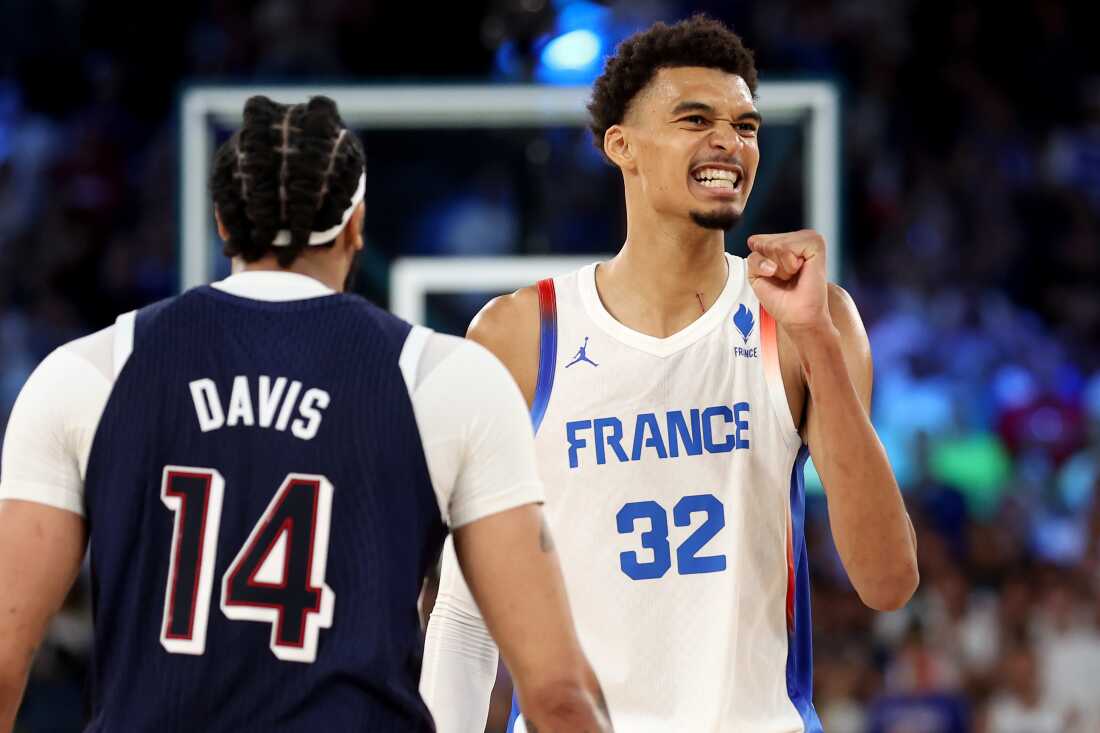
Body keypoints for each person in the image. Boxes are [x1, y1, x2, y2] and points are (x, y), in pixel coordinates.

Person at [0, 96, 611, 733]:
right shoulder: (448, 380)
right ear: (355, 226)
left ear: (222, 224)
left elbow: (4, 660)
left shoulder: (87, 374)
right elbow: (558, 697)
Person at [420, 15, 918, 732]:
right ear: (621, 145)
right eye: (695, 118)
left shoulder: (811, 319)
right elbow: (467, 618)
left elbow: (887, 582)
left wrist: (814, 335)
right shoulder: (520, 335)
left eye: (746, 126)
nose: (730, 142)